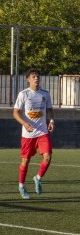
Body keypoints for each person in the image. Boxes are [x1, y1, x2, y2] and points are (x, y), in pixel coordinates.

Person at [13, 69, 54, 199]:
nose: (36, 78)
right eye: (33, 76)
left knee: (47, 157)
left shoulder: (45, 94)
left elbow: (50, 109)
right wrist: (24, 123)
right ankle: (21, 186)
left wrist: (51, 120)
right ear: (28, 79)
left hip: (42, 132)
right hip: (28, 135)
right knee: (25, 161)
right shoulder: (23, 94)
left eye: (38, 76)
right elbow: (15, 113)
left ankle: (38, 178)